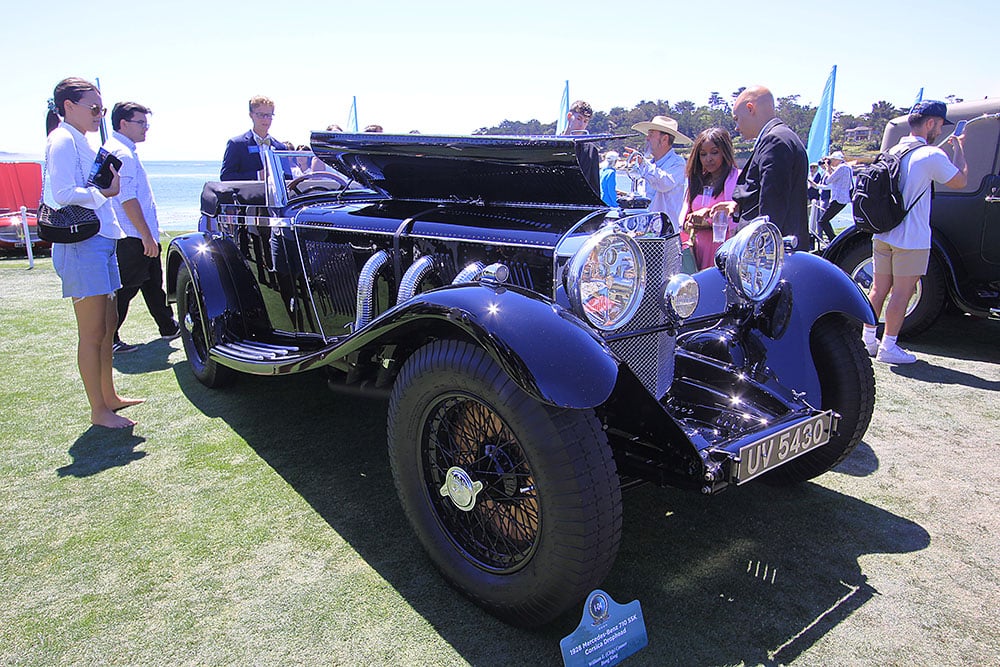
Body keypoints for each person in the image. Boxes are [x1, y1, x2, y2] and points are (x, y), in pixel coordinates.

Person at [44, 77, 142, 429]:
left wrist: (104, 190)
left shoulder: (78, 140)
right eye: (94, 108)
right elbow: (61, 193)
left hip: (101, 239)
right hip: (80, 244)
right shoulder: (62, 139)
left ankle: (108, 397)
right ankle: (98, 410)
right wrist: (105, 192)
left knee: (107, 324)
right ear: (69, 106)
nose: (100, 115)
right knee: (92, 332)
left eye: (101, 108)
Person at [862, 100, 967, 364]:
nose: (941, 131)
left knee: (878, 289)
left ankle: (867, 340)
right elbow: (960, 181)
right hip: (912, 238)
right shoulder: (931, 155)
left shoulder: (892, 150)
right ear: (931, 123)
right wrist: (960, 150)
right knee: (902, 292)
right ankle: (889, 346)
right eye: (941, 125)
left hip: (882, 233)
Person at [104, 102, 179, 353]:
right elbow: (127, 198)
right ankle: (110, 337)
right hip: (131, 235)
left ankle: (167, 325)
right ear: (123, 123)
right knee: (125, 289)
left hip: (135, 233)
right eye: (141, 123)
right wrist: (146, 236)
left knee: (152, 283)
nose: (146, 128)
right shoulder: (122, 152)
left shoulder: (121, 149)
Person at [716, 86, 809, 249]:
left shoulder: (774, 141)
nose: (737, 127)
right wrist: (738, 206)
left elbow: (771, 208)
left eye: (736, 118)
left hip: (770, 257)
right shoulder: (784, 137)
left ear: (750, 108)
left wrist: (759, 250)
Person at [678, 128, 740, 271]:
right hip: (696, 251)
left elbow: (737, 219)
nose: (708, 159)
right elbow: (685, 217)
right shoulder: (697, 181)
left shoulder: (736, 179)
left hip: (723, 249)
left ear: (725, 151)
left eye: (714, 152)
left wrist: (709, 220)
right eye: (703, 154)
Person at [623, 115, 690, 232]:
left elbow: (664, 183)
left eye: (651, 134)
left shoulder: (678, 164)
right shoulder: (648, 166)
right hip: (643, 233)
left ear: (664, 139)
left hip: (665, 234)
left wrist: (643, 163)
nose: (647, 138)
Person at [220, 96, 288, 181]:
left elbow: (288, 178)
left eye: (269, 115)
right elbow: (226, 177)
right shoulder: (236, 144)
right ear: (251, 115)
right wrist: (258, 175)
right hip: (248, 194)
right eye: (261, 115)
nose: (265, 119)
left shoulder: (280, 148)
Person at [561, 100, 600, 193]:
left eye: (585, 121)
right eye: (579, 119)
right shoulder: (552, 145)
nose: (581, 125)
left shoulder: (591, 150)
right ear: (569, 116)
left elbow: (595, 187)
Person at [816, 150, 852, 242]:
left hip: (838, 199)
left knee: (822, 221)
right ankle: (833, 239)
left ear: (837, 160)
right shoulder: (847, 167)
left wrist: (828, 167)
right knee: (825, 220)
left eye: (832, 160)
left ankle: (833, 240)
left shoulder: (842, 168)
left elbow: (828, 180)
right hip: (842, 199)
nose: (831, 162)